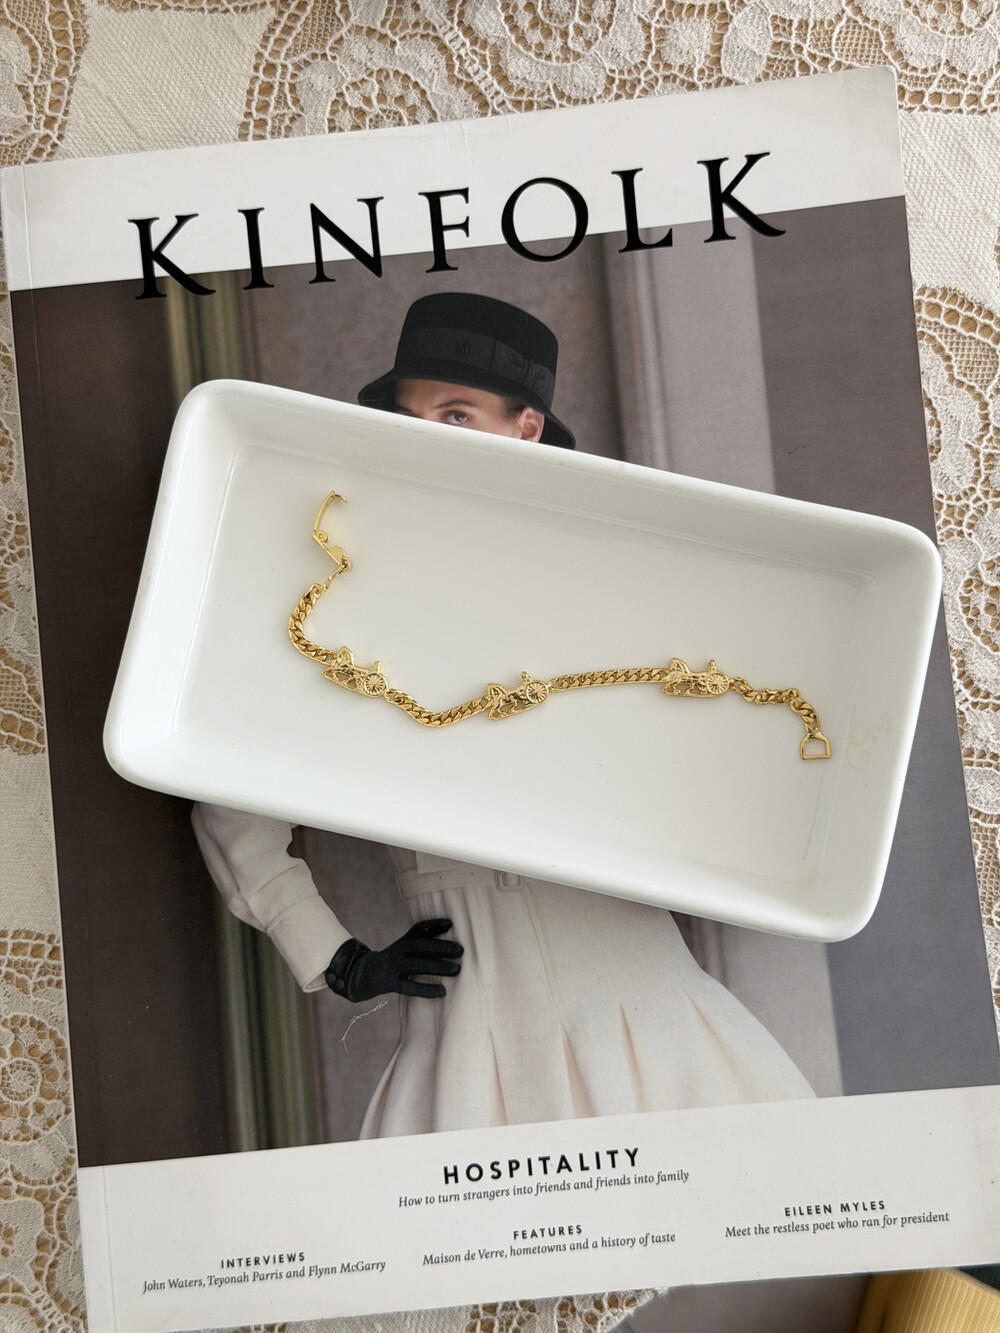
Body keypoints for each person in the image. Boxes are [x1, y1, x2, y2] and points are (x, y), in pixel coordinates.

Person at [193, 292, 814, 1139]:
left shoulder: (613, 574)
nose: (424, 437)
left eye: (456, 414)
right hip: (466, 1029)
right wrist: (334, 955)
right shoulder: (335, 595)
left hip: (646, 1000)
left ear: (526, 428)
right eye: (410, 416)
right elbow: (228, 795)